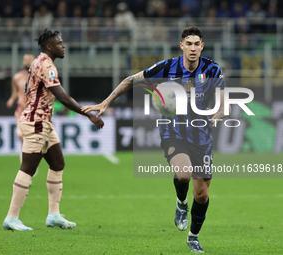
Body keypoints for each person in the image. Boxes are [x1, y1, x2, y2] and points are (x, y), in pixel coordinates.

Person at [82, 27, 229, 253]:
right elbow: (131, 79)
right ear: (181, 46)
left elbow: (224, 105)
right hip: (173, 132)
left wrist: (215, 116)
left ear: (202, 46)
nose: (192, 48)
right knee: (183, 174)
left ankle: (193, 236)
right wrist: (105, 102)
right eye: (188, 44)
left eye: (196, 44)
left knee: (202, 194)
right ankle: (181, 203)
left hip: (202, 137)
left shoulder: (212, 69)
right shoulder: (167, 67)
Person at [3, 29, 104, 231]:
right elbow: (63, 97)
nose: (63, 45)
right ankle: (11, 218)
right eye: (59, 43)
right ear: (49, 46)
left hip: (44, 122)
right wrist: (89, 114)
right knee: (28, 168)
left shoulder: (39, 61)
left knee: (57, 163)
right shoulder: (47, 65)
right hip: (36, 122)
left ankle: (53, 215)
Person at [6, 53, 35, 144]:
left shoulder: (39, 76)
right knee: (20, 134)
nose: (27, 62)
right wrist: (11, 99)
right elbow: (16, 91)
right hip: (21, 111)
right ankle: (27, 153)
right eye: (25, 60)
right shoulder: (17, 77)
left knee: (32, 138)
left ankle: (27, 154)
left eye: (29, 60)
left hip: (35, 111)